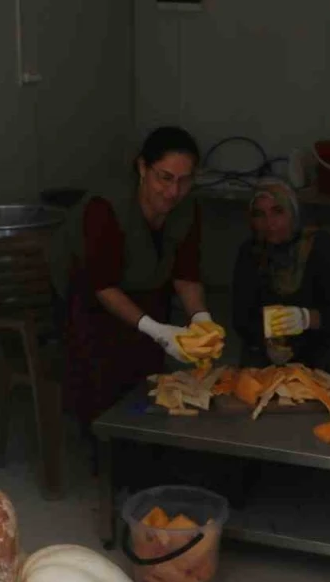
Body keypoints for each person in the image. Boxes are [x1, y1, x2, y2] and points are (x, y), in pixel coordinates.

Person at [57, 126, 219, 426]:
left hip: (146, 290)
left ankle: (144, 435)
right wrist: (157, 330)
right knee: (103, 376)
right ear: (143, 167)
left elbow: (186, 273)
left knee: (150, 376)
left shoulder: (187, 208)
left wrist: (200, 318)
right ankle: (102, 440)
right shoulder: (105, 207)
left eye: (184, 181)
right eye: (165, 178)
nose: (173, 192)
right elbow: (103, 285)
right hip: (91, 297)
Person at [230, 178, 330, 379]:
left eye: (278, 211)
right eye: (260, 214)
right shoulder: (250, 253)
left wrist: (307, 319)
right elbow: (241, 316)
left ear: (293, 213)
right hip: (270, 349)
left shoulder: (321, 248)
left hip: (322, 344)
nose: (269, 223)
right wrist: (266, 341)